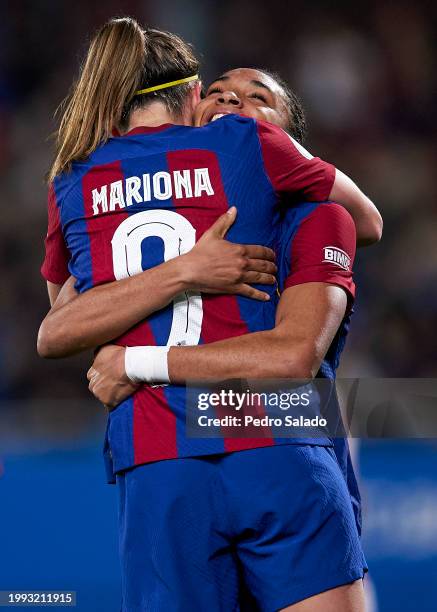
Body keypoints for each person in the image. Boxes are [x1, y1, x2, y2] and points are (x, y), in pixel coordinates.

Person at [38, 17, 381, 611]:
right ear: (193, 101)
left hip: (183, 451)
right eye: (221, 94)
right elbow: (59, 330)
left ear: (293, 140)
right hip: (265, 446)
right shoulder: (248, 153)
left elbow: (293, 354)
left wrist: (137, 361)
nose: (234, 107)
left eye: (257, 99)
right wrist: (185, 269)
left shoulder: (75, 181)